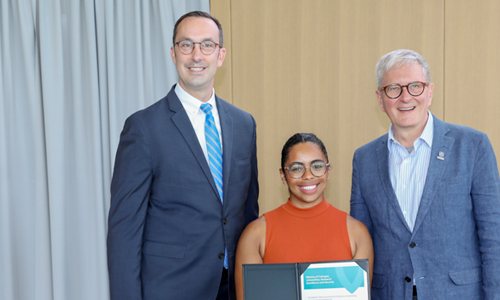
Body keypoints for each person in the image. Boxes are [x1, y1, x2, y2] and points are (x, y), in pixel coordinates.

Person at [107, 11, 259, 300]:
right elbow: (124, 232)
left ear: (221, 55)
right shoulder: (143, 128)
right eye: (186, 45)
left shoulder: (243, 124)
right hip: (171, 288)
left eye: (207, 45)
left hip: (234, 288)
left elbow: (248, 213)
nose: (196, 55)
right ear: (173, 53)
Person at [349, 49, 500, 299]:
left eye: (415, 86)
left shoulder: (473, 146)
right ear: (380, 99)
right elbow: (361, 244)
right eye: (393, 88)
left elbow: (494, 239)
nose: (405, 97)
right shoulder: (364, 159)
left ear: (429, 92)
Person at [234, 133, 373, 300]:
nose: (308, 176)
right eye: (297, 168)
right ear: (282, 175)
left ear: (328, 171)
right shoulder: (255, 234)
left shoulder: (357, 232)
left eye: (317, 166)